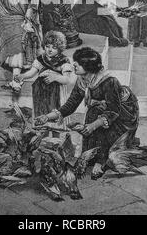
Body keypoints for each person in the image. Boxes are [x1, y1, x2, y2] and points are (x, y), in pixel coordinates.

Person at [35, 47, 140, 179]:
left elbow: (114, 110)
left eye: (77, 63)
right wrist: (47, 117)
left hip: (122, 114)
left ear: (88, 66)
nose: (74, 65)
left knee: (95, 113)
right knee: (93, 112)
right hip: (102, 112)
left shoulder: (108, 81)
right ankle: (90, 156)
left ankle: (100, 161)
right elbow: (71, 104)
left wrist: (92, 126)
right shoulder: (82, 80)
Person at [16, 31, 73, 123]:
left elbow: (66, 80)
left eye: (54, 48)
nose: (50, 50)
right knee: (42, 117)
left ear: (59, 48)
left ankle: (56, 136)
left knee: (55, 120)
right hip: (41, 92)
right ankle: (43, 134)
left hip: (56, 93)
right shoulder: (41, 59)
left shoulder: (64, 61)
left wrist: (55, 77)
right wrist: (22, 76)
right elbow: (32, 72)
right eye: (47, 46)